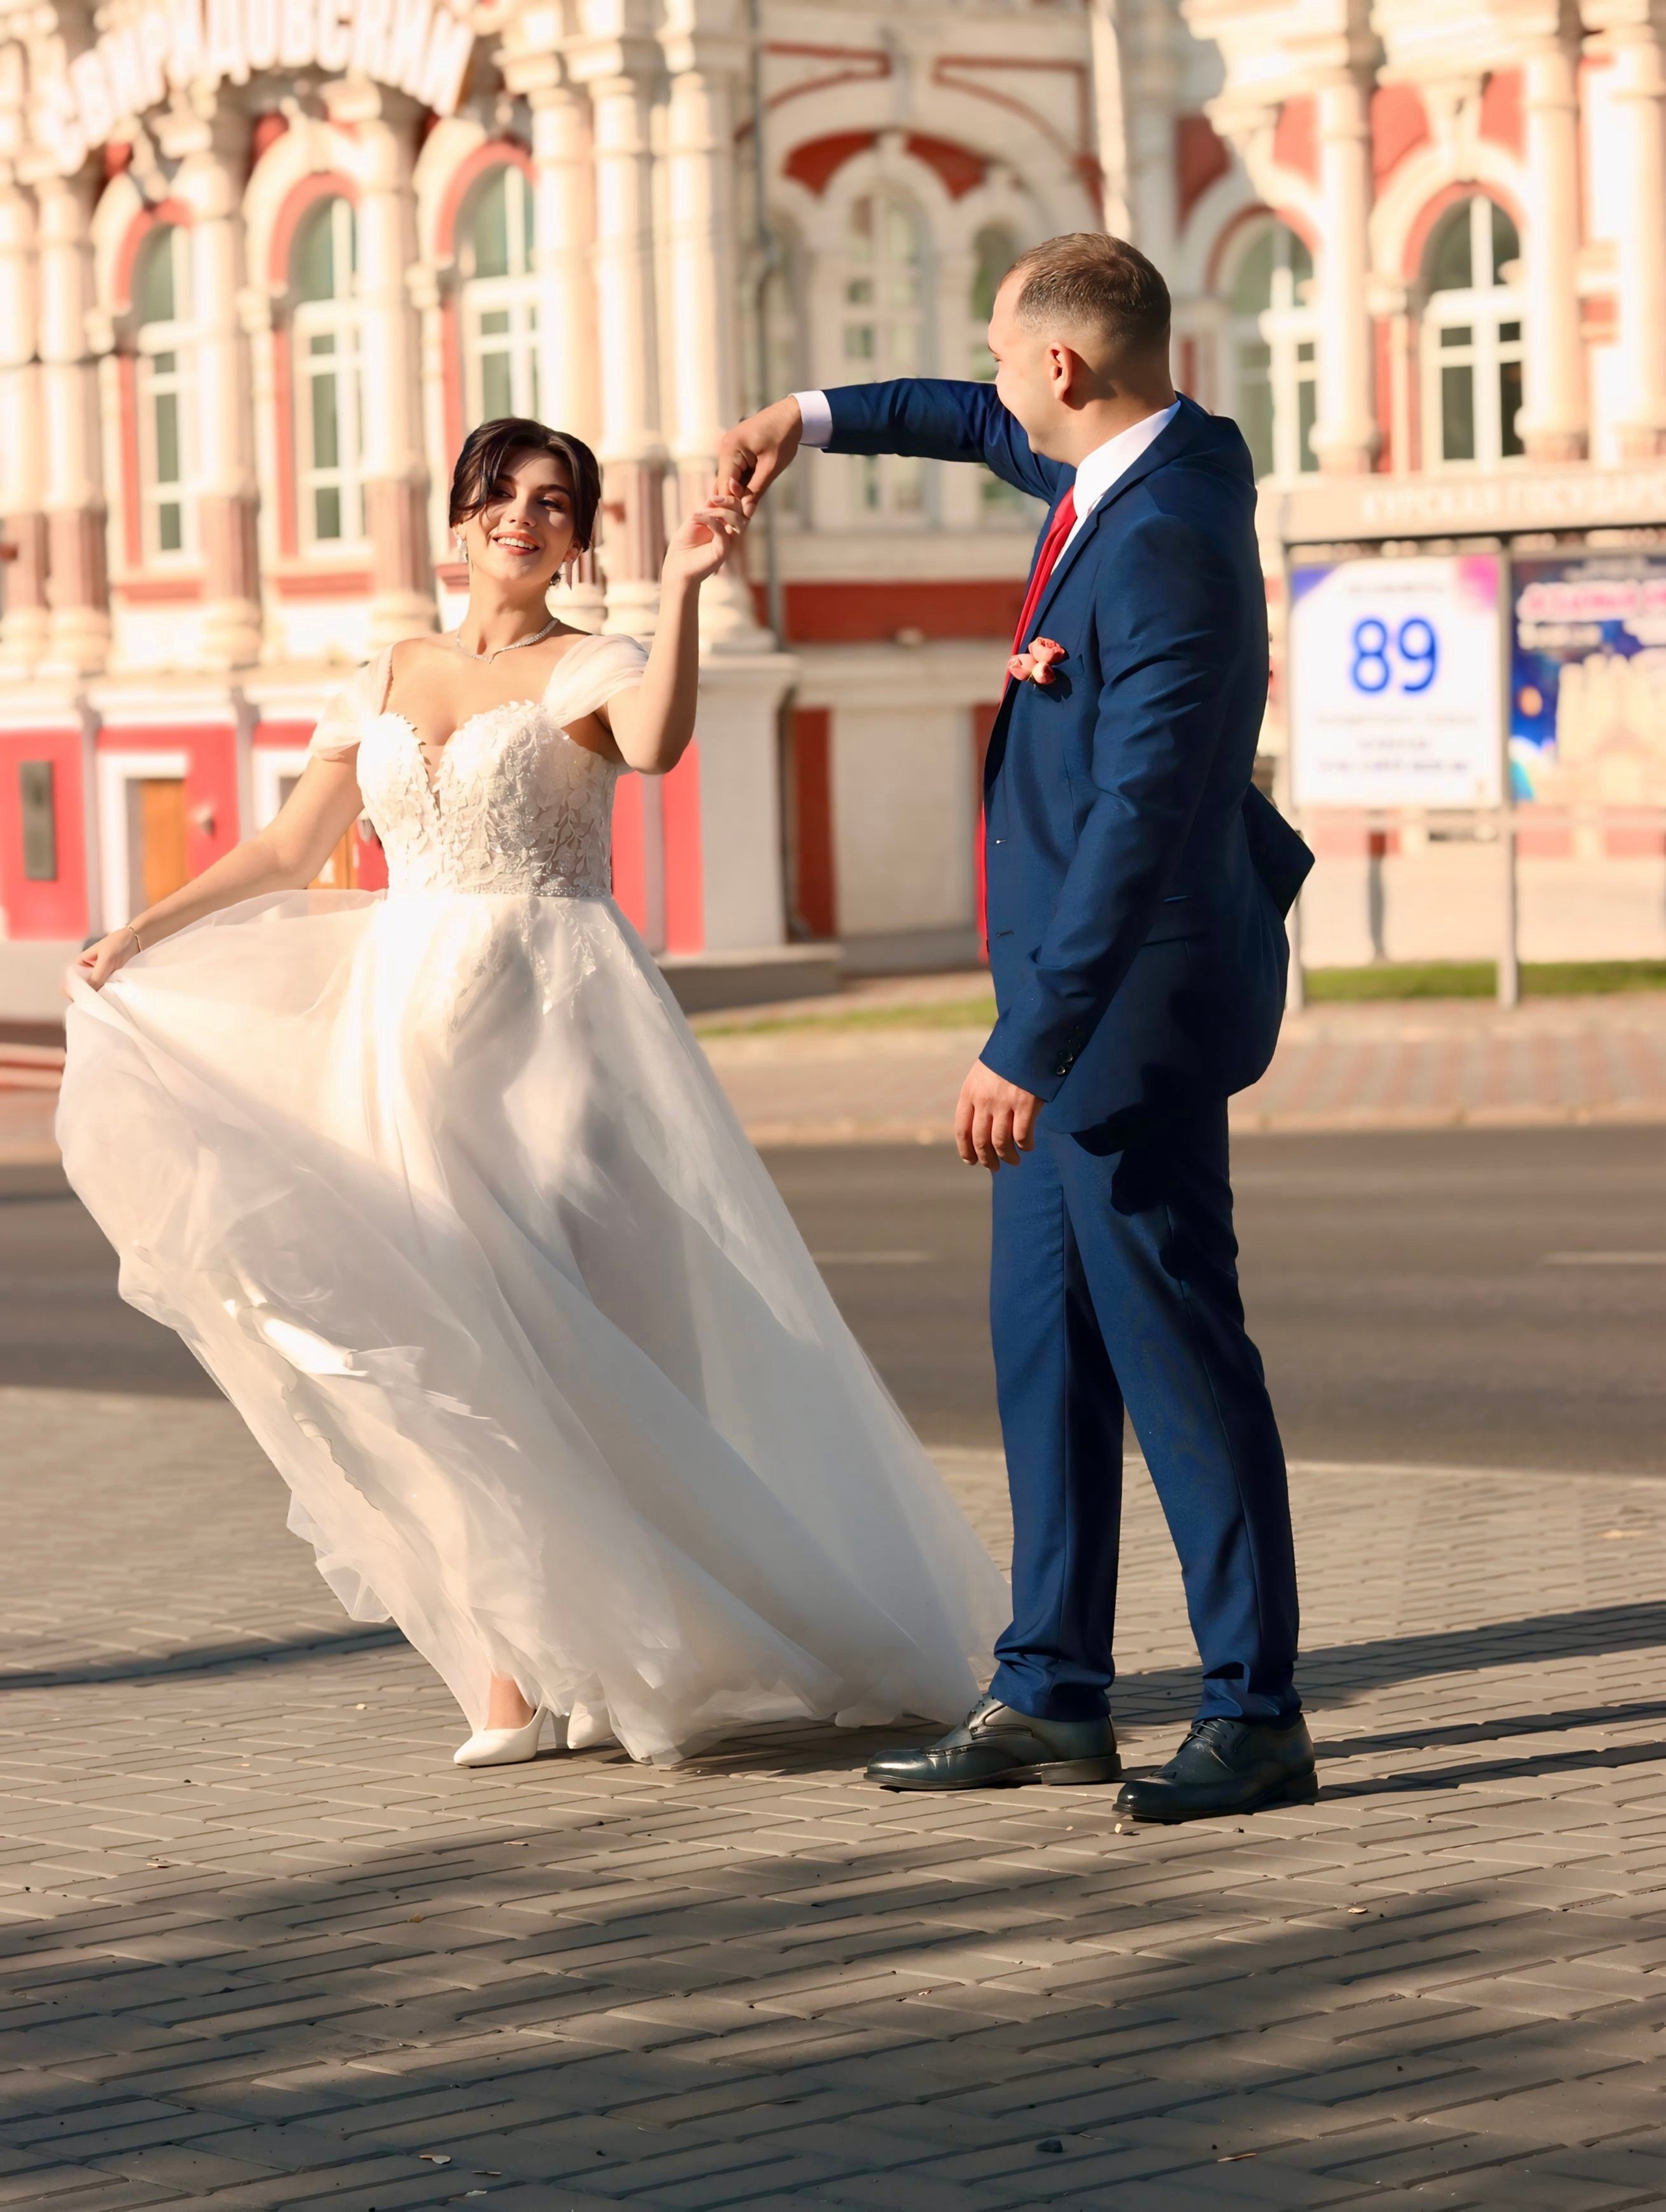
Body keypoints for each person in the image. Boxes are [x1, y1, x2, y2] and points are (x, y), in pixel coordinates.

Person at [59, 416, 1007, 1770]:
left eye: (553, 501)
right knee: (440, 1346)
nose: (523, 516)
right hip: (398, 1041)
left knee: (572, 1337)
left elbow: (658, 745)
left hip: (559, 1033)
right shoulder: (387, 669)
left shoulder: (594, 661)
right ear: (458, 520)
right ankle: (512, 1670)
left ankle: (630, 1650)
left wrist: (683, 589)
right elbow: (287, 847)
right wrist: (141, 933)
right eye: (499, 495)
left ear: (578, 534)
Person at [718, 234, 1317, 1821]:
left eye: (1001, 353)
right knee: (1045, 1349)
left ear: (1063, 365)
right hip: (1066, 1005)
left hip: (1119, 1010)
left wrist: (1028, 1036)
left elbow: (1145, 808)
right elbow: (967, 419)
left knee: (1177, 1355)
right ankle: (1052, 1688)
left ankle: (1254, 1710)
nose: (989, 381)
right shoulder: (1126, 461)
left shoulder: (1164, 529)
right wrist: (805, 417)